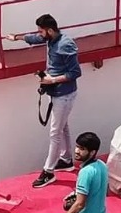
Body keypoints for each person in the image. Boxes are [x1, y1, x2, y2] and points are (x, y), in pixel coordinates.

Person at [25, 13, 80, 188]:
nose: (39, 35)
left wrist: (52, 80)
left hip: (64, 94)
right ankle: (66, 159)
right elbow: (35, 38)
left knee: (54, 132)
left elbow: (75, 73)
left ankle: (48, 171)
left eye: (41, 31)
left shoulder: (65, 45)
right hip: (57, 93)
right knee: (62, 126)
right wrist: (17, 37)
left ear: (49, 30)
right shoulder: (51, 39)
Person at [42, 131, 106, 213]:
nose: (77, 151)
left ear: (92, 152)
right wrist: (77, 193)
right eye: (77, 146)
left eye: (82, 149)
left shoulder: (85, 172)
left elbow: (79, 205)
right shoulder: (102, 165)